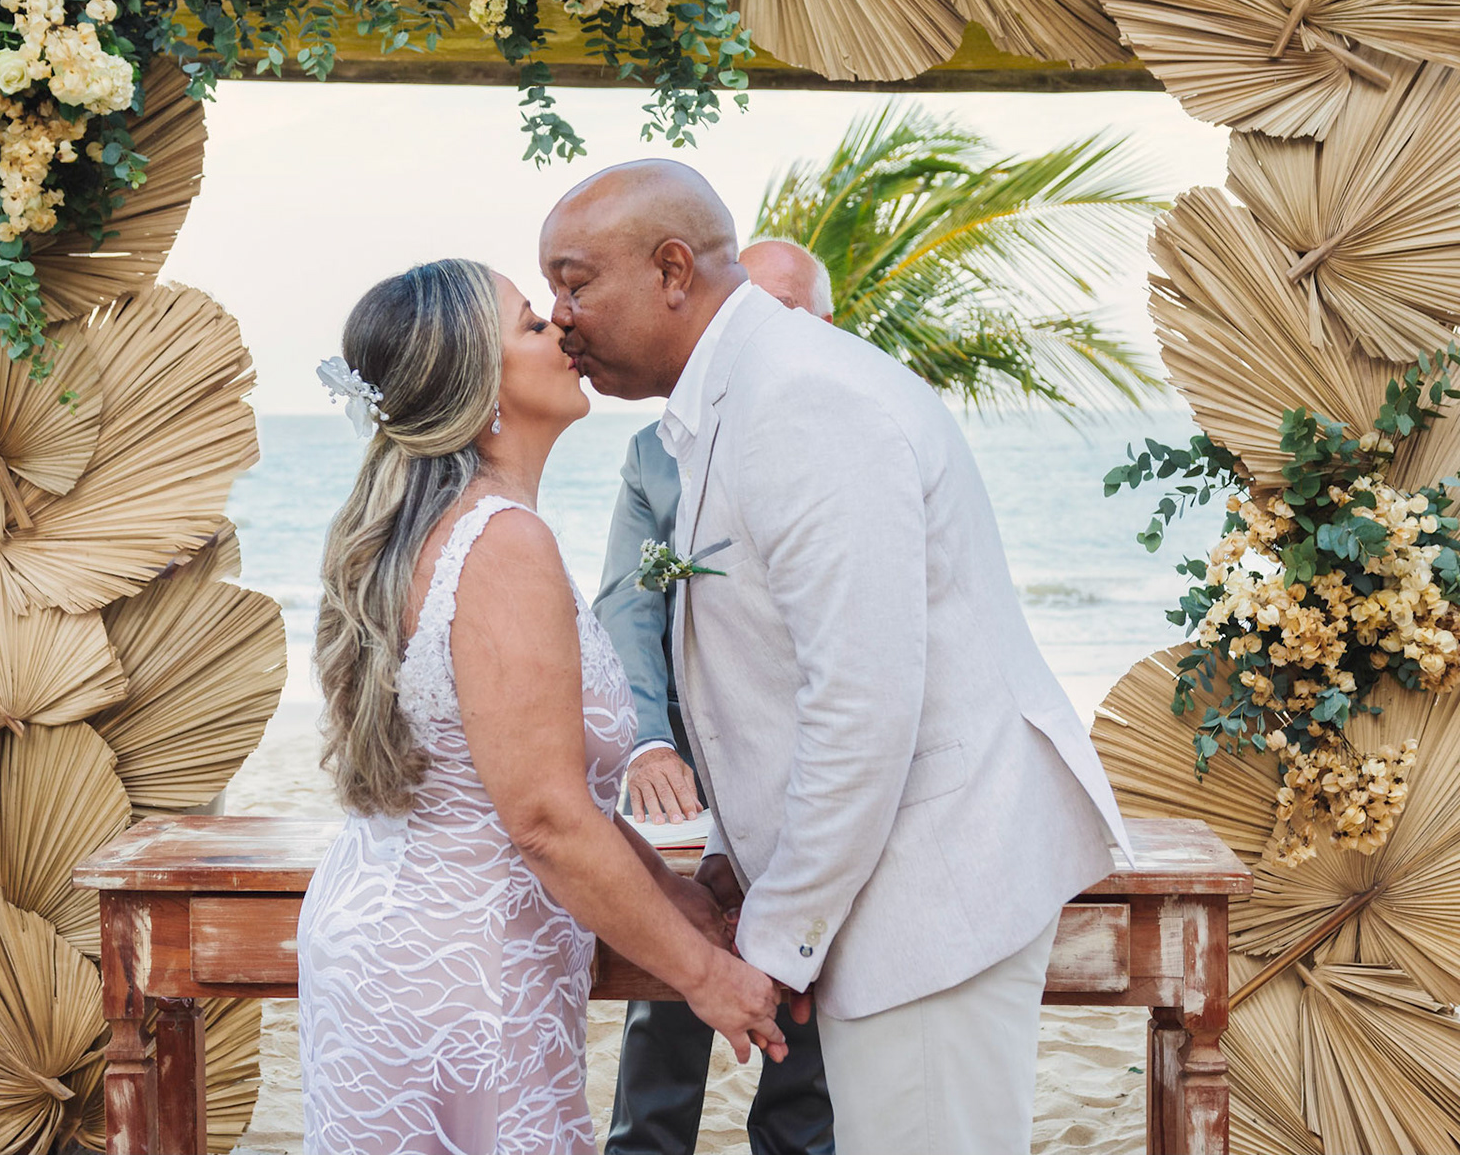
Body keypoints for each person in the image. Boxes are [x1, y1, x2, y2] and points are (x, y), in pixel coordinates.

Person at [541, 163, 1135, 1155]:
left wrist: (772, 944)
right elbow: (771, 672)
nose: (561, 318)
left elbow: (862, 707)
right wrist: (741, 859)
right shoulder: (741, 397)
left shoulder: (800, 401)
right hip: (889, 877)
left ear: (673, 269)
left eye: (574, 282)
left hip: (933, 886)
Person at [295, 259, 786, 1155]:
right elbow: (546, 820)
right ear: (478, 383)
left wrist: (672, 890)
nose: (560, 329)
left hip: (406, 933)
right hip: (462, 970)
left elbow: (542, 788)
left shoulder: (440, 529)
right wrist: (705, 977)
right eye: (529, 323)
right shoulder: (502, 542)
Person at [595, 239, 837, 1155]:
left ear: (821, 327)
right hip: (690, 773)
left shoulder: (841, 441)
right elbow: (626, 601)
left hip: (811, 772)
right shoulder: (654, 452)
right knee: (668, 1001)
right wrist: (650, 742)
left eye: (783, 313)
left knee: (804, 1013)